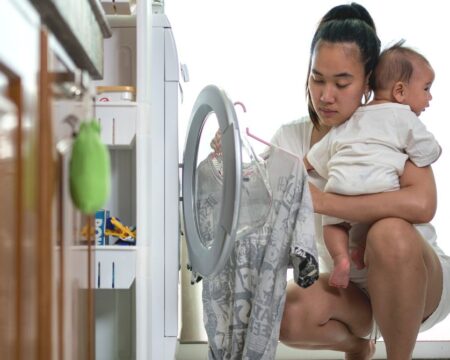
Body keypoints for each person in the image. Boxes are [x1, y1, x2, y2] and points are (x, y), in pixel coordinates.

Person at [273, 3, 450, 359]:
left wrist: (328, 203)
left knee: (388, 232)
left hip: (418, 279)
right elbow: (263, 194)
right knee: (284, 314)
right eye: (317, 78)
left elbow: (423, 205)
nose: (325, 95)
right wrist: (225, 152)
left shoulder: (391, 125)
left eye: (342, 82)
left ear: (369, 81)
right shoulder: (290, 139)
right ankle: (359, 346)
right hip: (349, 286)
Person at [305, 42, 441, 289]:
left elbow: (317, 156)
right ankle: (363, 250)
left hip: (339, 188)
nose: (430, 97)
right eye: (426, 89)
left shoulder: (350, 120)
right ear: (400, 91)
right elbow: (426, 151)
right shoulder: (404, 117)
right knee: (381, 222)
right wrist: (434, 152)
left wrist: (302, 165)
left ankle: (342, 259)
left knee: (333, 227)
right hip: (381, 189)